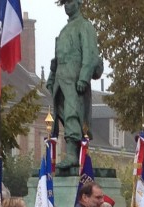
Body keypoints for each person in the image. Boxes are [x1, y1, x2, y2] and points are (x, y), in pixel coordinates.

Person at [47, 0, 104, 169]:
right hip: (60, 79)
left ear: (78, 3)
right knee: (64, 115)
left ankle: (73, 154)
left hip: (74, 79)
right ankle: (75, 152)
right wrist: (51, 77)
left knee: (73, 114)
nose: (67, 5)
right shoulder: (64, 30)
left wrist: (83, 78)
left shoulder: (85, 26)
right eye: (64, 3)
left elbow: (91, 55)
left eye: (70, 2)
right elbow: (57, 59)